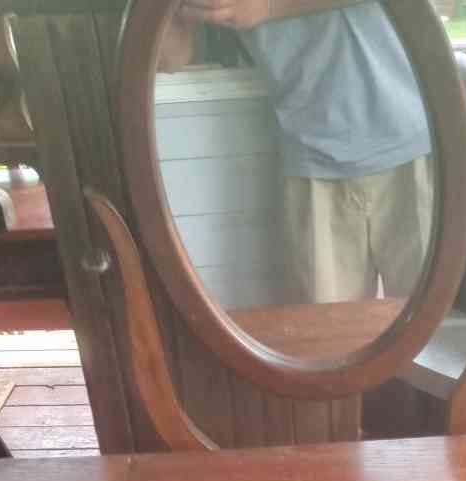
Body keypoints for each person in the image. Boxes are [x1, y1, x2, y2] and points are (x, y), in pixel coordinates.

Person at [163, 1, 433, 303]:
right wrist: (174, 13)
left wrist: (266, 7)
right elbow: (168, 57)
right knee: (329, 339)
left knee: (433, 331)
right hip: (311, 160)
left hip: (412, 144)